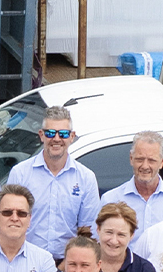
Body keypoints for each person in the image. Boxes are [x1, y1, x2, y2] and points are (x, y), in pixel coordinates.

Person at [6, 106, 100, 258]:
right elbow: (9, 223)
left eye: (63, 133)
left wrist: (64, 268)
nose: (56, 139)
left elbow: (88, 232)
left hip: (68, 264)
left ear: (72, 136)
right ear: (41, 135)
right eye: (50, 133)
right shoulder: (20, 174)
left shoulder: (86, 178)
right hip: (25, 258)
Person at [98, 132, 163, 234]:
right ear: (131, 158)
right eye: (140, 159)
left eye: (151, 160)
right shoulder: (110, 199)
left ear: (162, 161)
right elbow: (99, 241)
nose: (145, 166)